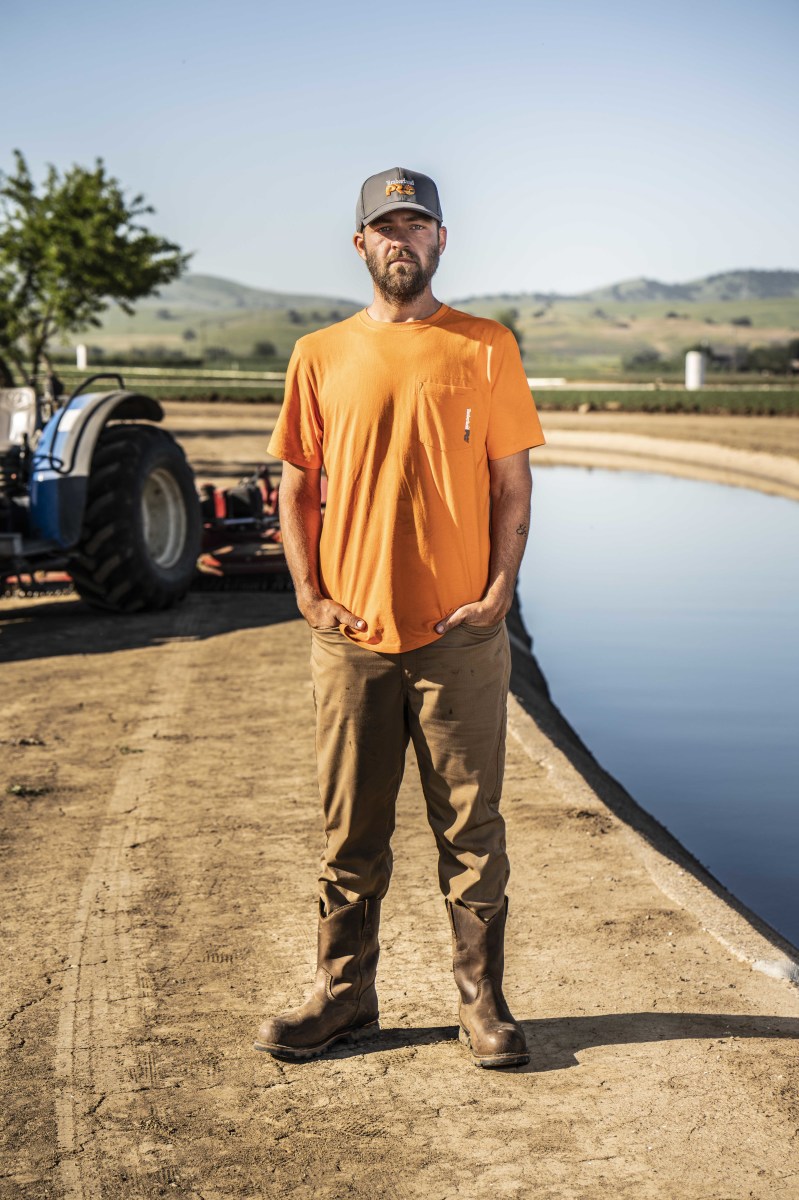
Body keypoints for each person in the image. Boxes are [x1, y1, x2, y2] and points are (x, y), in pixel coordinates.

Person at [254, 168, 545, 1068]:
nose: (402, 240)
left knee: (471, 830)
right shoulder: (319, 354)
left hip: (460, 636)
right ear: (361, 244)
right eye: (386, 226)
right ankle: (343, 997)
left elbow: (511, 483)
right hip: (352, 639)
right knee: (350, 831)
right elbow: (296, 486)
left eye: (417, 225)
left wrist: (499, 589)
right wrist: (309, 595)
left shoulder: (484, 346)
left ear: (440, 240)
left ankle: (481, 1002)